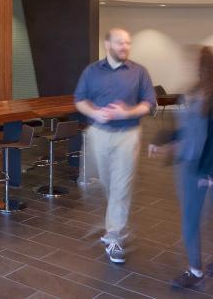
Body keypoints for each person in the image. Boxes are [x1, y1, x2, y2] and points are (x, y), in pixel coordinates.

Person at [148, 47, 213, 290]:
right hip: (188, 162)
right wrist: (161, 141)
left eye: (198, 62)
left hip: (209, 164)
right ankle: (198, 267)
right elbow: (186, 129)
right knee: (191, 217)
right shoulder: (194, 91)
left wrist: (210, 172)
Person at [74, 28, 156, 263]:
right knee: (108, 183)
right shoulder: (91, 71)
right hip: (98, 133)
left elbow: (150, 103)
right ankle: (115, 217)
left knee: (121, 184)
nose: (124, 47)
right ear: (107, 44)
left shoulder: (139, 72)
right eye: (120, 42)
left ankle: (114, 236)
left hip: (128, 135)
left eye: (128, 43)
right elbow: (80, 100)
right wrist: (95, 113)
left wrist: (128, 111)